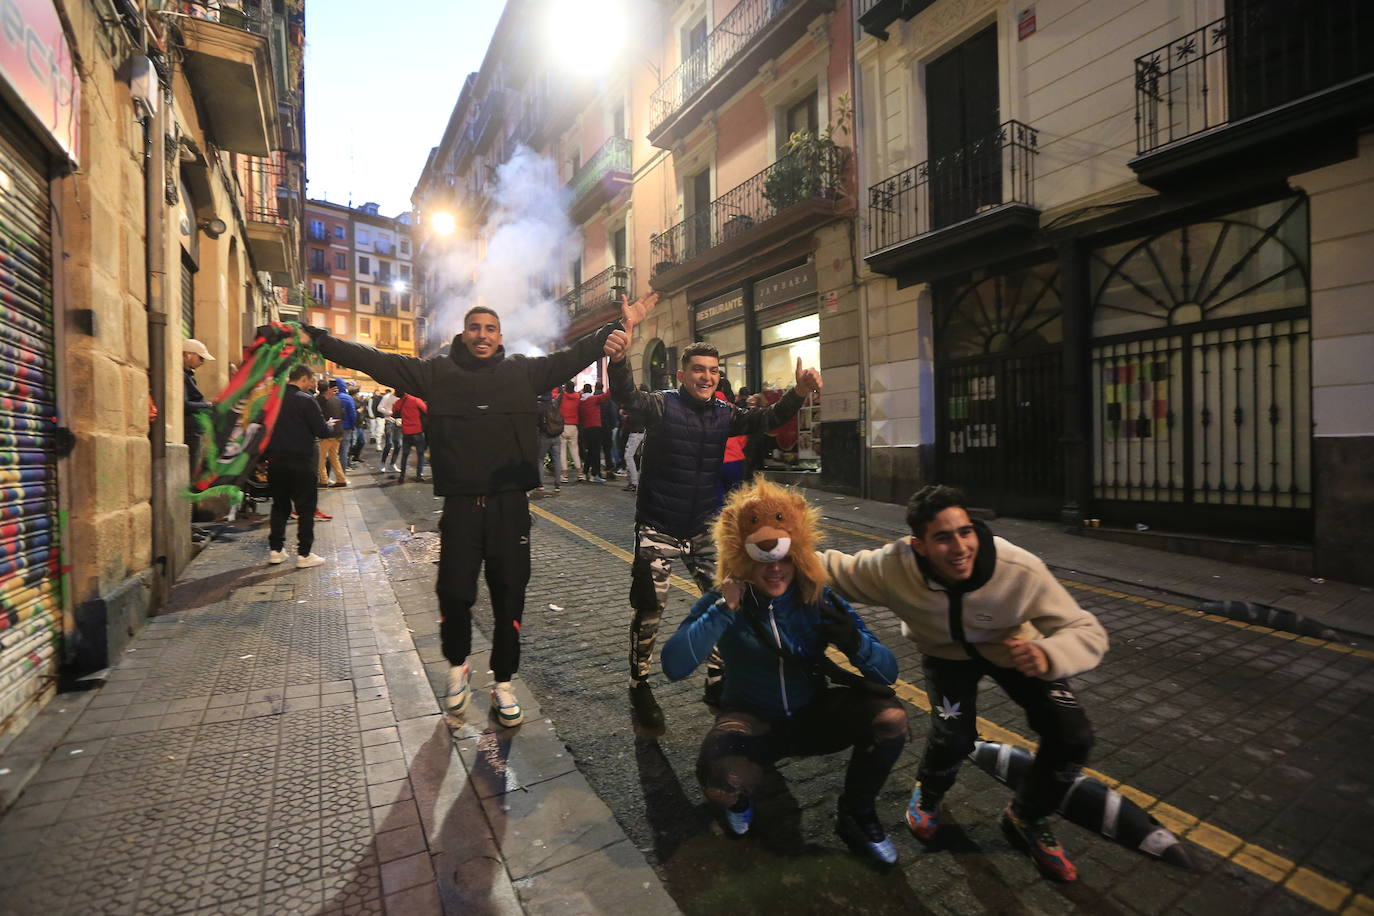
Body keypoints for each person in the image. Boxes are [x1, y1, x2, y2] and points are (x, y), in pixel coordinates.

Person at [304, 295, 653, 727]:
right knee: (454, 592)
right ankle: (457, 668)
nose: (482, 335)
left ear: (499, 336)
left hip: (510, 508)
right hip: (461, 508)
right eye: (475, 328)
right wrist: (319, 340)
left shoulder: (524, 371)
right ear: (464, 333)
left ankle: (503, 682)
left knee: (510, 594)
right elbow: (374, 360)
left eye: (490, 328)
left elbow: (575, 354)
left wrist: (617, 326)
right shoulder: (435, 373)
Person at [821, 484, 1108, 882]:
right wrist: (762, 550)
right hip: (945, 655)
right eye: (942, 538)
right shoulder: (893, 566)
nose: (959, 547)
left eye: (965, 531)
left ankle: (1027, 816)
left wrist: (1051, 653)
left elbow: (1085, 630)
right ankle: (931, 794)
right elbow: (829, 567)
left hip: (1017, 650)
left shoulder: (1017, 568)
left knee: (1073, 735)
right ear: (918, 545)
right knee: (954, 736)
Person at [662, 478, 907, 864]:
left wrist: (853, 642)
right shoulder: (724, 599)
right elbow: (673, 665)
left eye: (785, 559)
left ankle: (857, 815)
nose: (775, 569)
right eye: (763, 561)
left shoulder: (818, 596)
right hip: (751, 720)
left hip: (812, 712)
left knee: (891, 718)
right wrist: (722, 610)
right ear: (742, 557)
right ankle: (741, 800)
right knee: (721, 782)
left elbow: (888, 674)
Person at [606, 328, 822, 729]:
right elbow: (627, 398)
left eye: (714, 371)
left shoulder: (726, 412)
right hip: (659, 526)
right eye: (698, 370)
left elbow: (768, 419)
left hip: (705, 527)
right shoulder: (661, 406)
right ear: (681, 375)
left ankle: (718, 679)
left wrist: (797, 393)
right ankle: (640, 684)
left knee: (727, 601)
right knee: (650, 607)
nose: (707, 377)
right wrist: (618, 362)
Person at [264, 364, 331, 569]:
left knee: (279, 506)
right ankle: (304, 554)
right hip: (301, 462)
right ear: (303, 379)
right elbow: (321, 430)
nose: (311, 384)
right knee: (305, 508)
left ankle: (276, 551)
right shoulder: (306, 400)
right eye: (310, 380)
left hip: (275, 462)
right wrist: (329, 426)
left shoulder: (272, 400)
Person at [183, 338, 215, 477]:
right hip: (190, 430)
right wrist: (207, 405)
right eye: (200, 358)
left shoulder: (188, 375)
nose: (202, 362)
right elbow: (185, 404)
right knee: (192, 470)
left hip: (194, 430)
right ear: (188, 355)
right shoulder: (182, 376)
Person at [317, 382, 347, 488]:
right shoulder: (337, 399)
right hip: (338, 431)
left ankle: (323, 480)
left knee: (321, 458)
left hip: (327, 433)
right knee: (334, 457)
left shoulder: (319, 399)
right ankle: (341, 479)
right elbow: (343, 414)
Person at [577, 382, 608, 482]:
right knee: (596, 452)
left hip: (585, 429)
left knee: (590, 451)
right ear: (591, 390)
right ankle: (596, 474)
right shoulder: (593, 399)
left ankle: (586, 471)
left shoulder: (580, 402)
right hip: (595, 428)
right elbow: (606, 396)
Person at [395, 391, 428, 483]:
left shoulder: (399, 402)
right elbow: (426, 410)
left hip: (406, 432)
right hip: (417, 431)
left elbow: (394, 411)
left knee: (405, 455)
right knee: (420, 454)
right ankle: (419, 475)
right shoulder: (416, 400)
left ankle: (402, 476)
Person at [536, 390, 564, 493]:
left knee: (540, 459)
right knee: (557, 459)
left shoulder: (539, 407)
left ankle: (541, 484)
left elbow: (537, 422)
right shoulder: (555, 404)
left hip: (544, 435)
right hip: (556, 435)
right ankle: (557, 485)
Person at [558, 380, 582, 483]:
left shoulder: (562, 397)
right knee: (575, 451)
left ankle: (565, 475)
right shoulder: (577, 397)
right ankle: (579, 473)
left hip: (563, 426)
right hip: (573, 426)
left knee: (562, 451)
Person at [334, 381, 358, 471]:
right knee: (344, 451)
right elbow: (353, 414)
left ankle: (333, 475)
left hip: (334, 427)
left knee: (333, 452)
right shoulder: (348, 398)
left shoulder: (332, 396)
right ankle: (342, 473)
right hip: (346, 428)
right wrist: (352, 426)